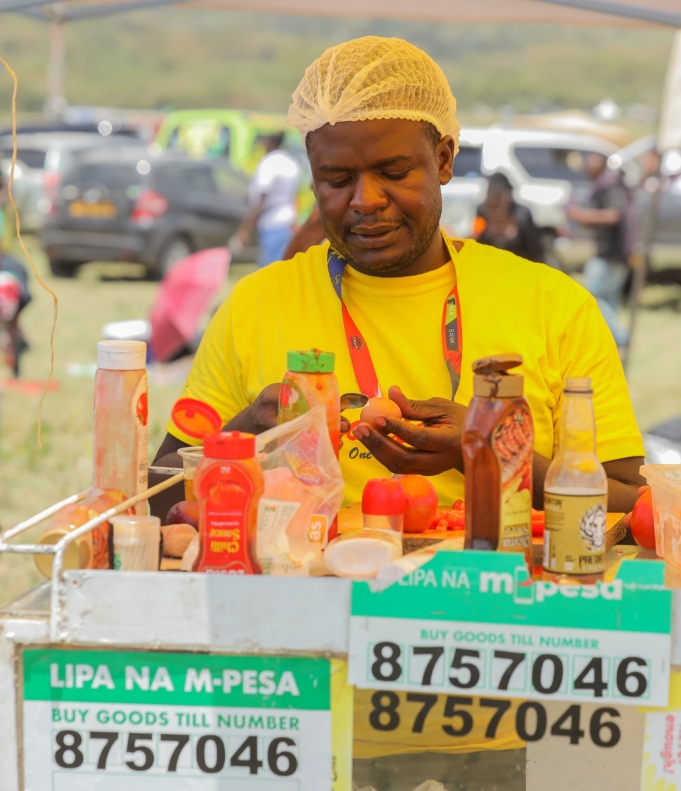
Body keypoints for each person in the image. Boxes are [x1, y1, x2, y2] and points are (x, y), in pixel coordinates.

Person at [154, 36, 645, 514]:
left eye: (393, 172)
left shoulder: (553, 306)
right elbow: (156, 497)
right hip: (305, 592)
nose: (365, 200)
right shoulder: (257, 303)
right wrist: (245, 435)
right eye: (338, 179)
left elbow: (630, 498)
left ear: (444, 160)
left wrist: (487, 450)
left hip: (492, 590)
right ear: (313, 178)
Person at [567, 153, 633, 348]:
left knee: (592, 295)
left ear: (601, 163)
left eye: (591, 161)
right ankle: (612, 342)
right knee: (608, 297)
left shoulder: (610, 184)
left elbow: (613, 215)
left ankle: (621, 338)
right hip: (616, 251)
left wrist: (581, 215)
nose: (587, 165)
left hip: (612, 252)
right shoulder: (606, 184)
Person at [230, 132, 301, 269]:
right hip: (289, 221)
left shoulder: (268, 163)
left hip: (271, 223)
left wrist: (245, 228)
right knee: (284, 267)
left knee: (269, 270)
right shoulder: (291, 162)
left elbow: (261, 198)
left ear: (268, 141)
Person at [474, 172, 544, 264]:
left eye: (498, 194)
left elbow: (535, 251)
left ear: (508, 196)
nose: (495, 199)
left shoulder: (522, 215)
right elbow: (475, 241)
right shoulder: (482, 213)